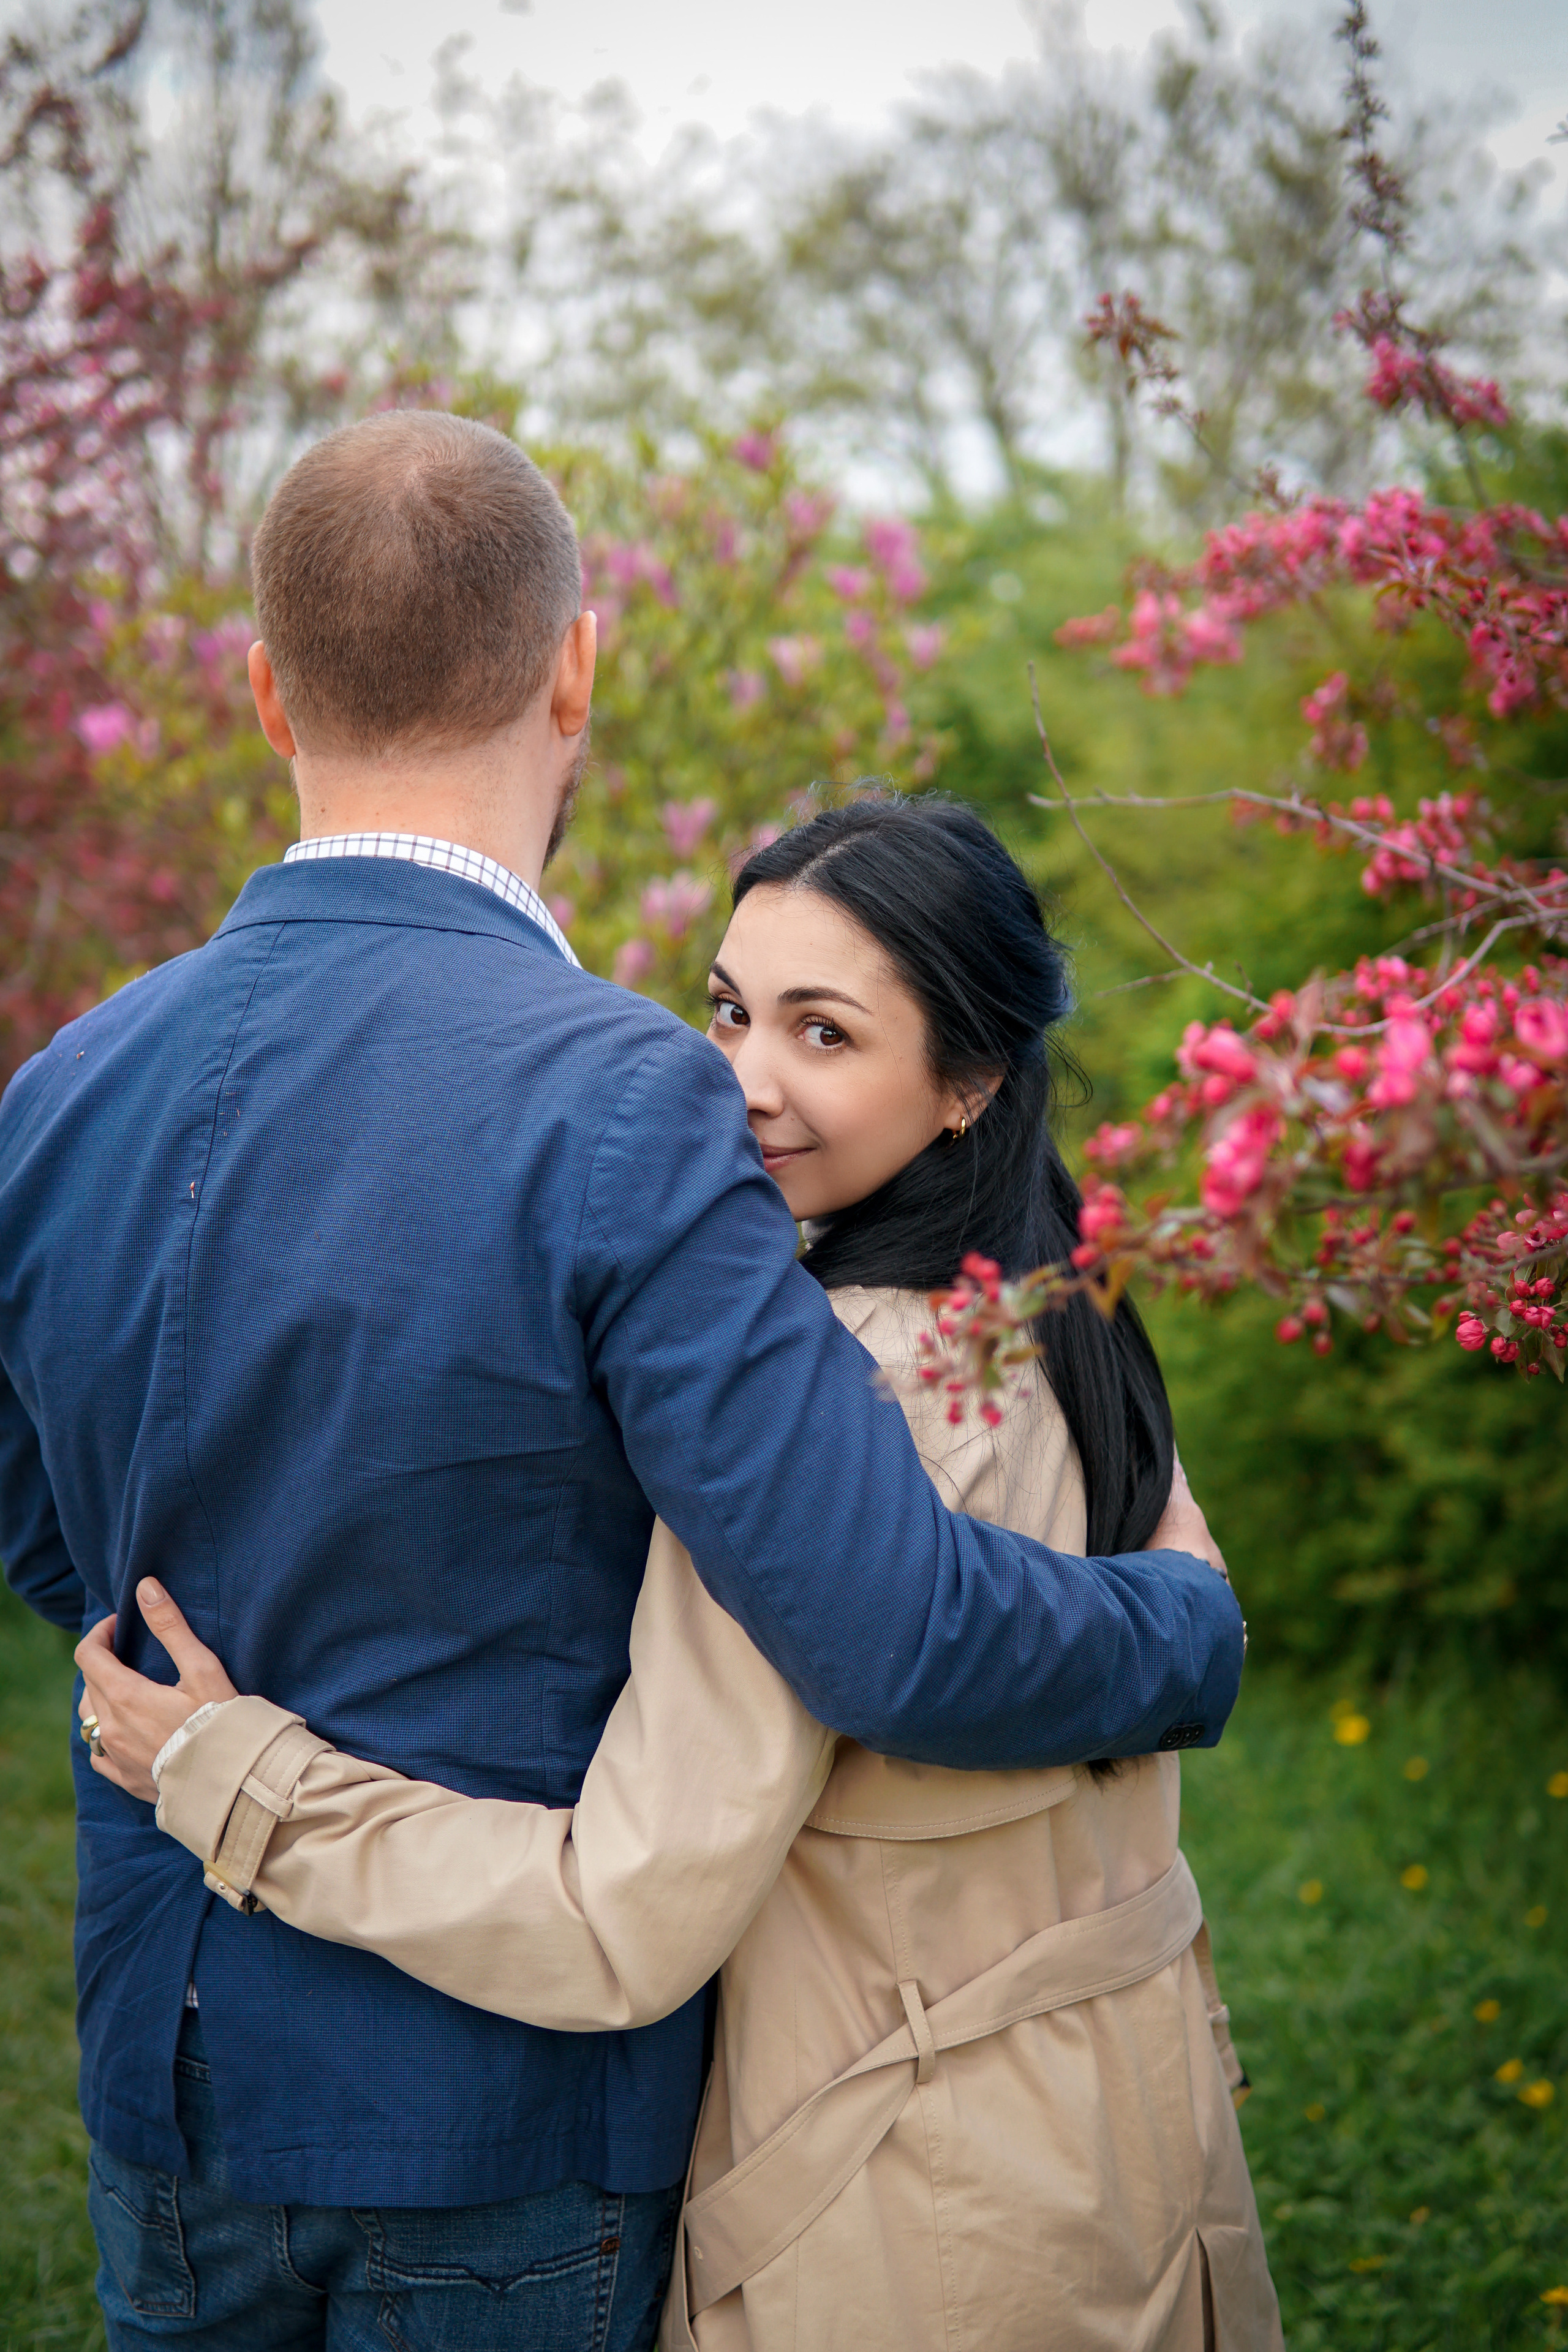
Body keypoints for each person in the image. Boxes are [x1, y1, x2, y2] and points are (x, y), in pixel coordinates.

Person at [0, 410, 1243, 2352]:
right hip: (496, 2112)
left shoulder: (61, 1086)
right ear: (575, 666)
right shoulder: (618, 1096)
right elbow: (885, 1627)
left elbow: (40, 1520)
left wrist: (206, 1664)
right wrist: (1185, 1633)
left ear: (263, 693)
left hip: (166, 2076)